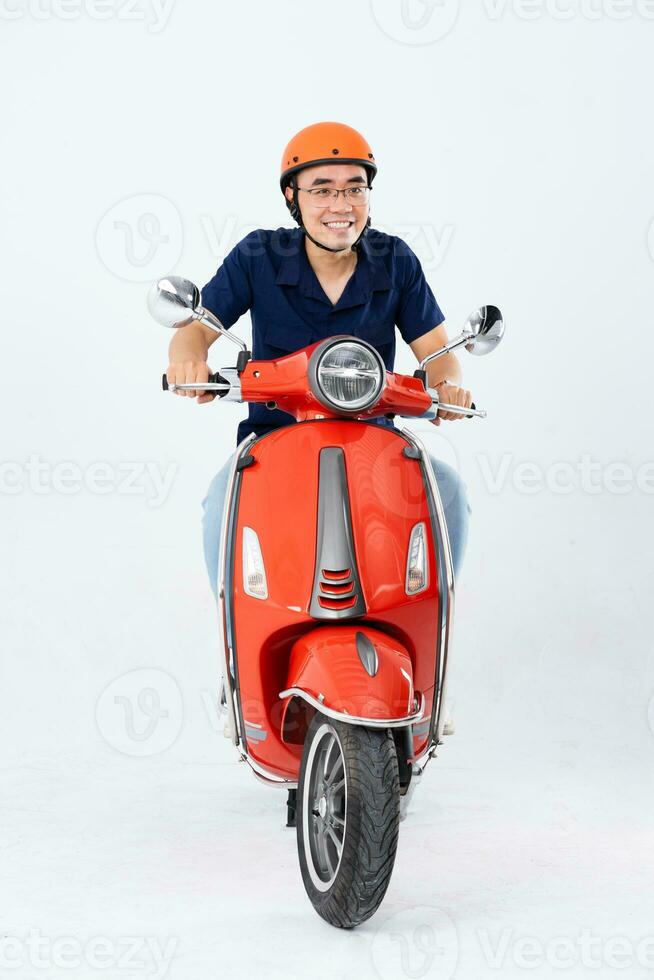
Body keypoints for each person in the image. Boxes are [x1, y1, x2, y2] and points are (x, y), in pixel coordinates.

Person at [166, 119, 472, 618]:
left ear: (369, 196)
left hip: (376, 445)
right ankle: (236, 636)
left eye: (355, 189)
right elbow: (195, 328)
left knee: (450, 490)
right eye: (322, 190)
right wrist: (187, 358)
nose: (340, 205)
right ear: (293, 197)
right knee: (221, 500)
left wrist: (449, 388)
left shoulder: (394, 260)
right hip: (273, 441)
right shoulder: (259, 255)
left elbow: (439, 354)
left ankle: (427, 624)